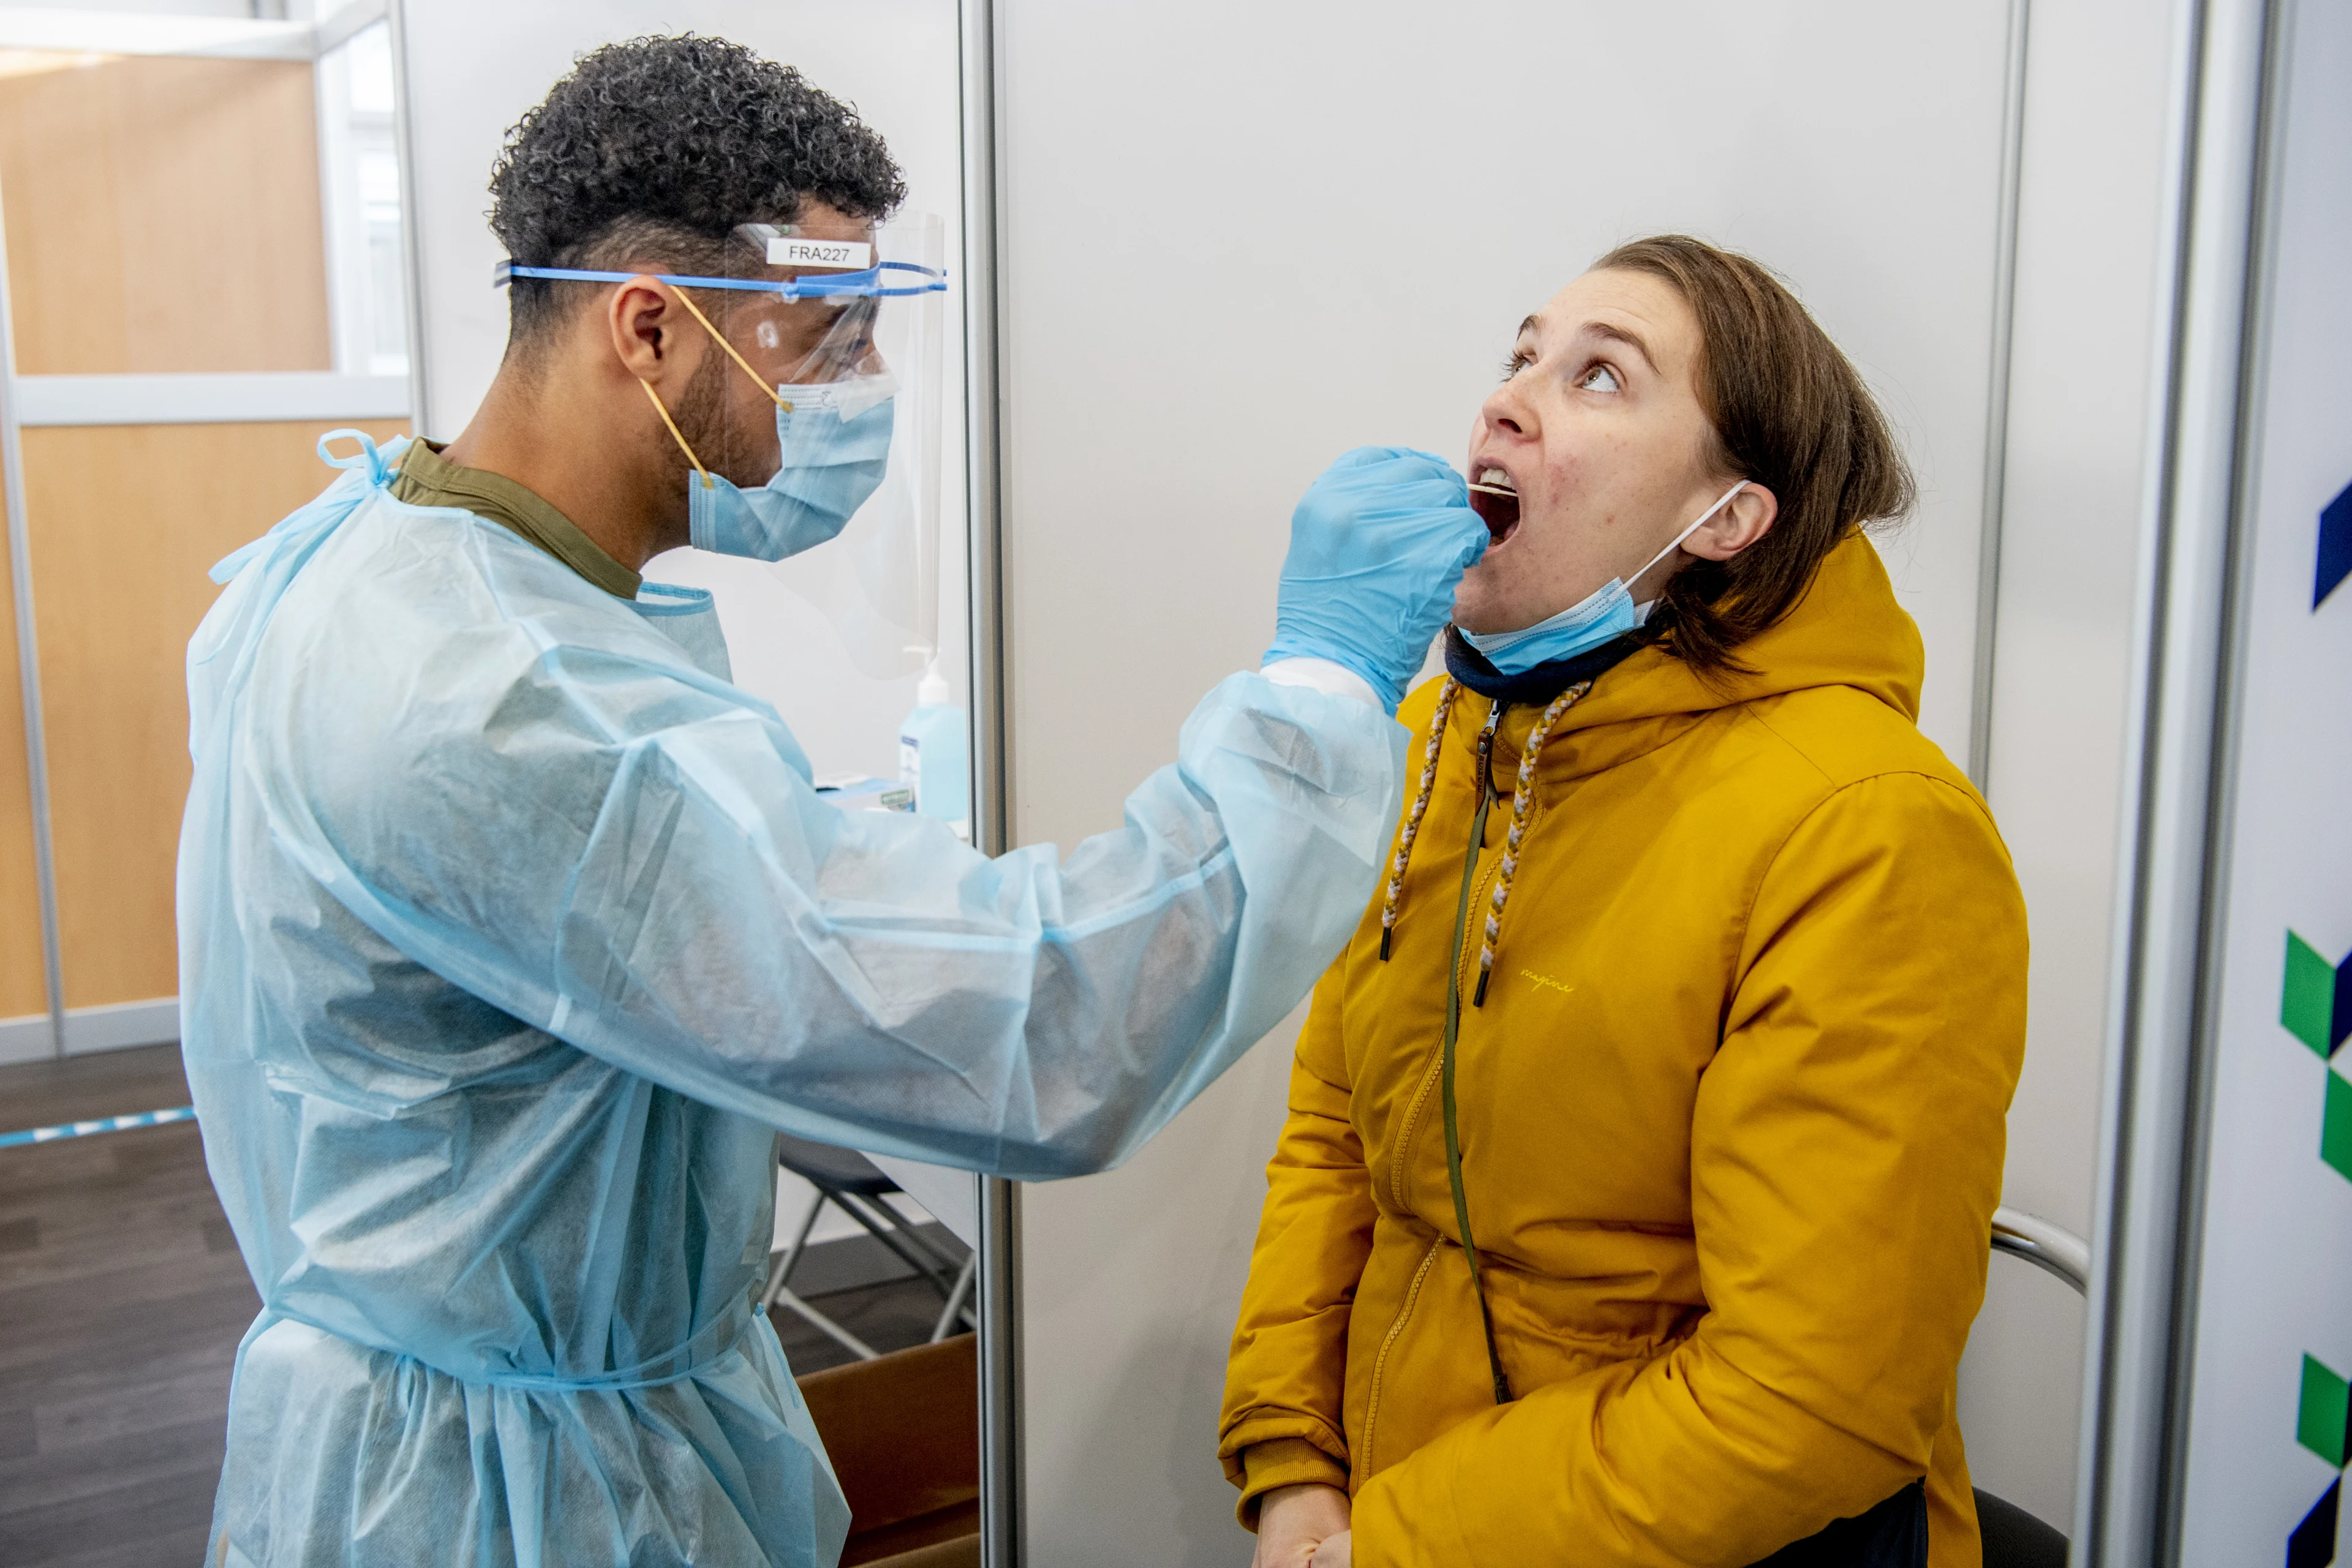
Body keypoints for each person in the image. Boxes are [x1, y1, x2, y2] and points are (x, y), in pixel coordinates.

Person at [178, 35, 1486, 1568]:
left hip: (463, 1411)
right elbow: (1042, 1030)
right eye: (827, 335)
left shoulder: (378, 554)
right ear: (652, 330)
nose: (858, 390)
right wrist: (1319, 687)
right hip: (513, 1493)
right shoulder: (500, 705)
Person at [1219, 236, 2030, 1568]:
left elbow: (1809, 1394)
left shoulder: (1870, 827)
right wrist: (1293, 1460)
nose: (1510, 398)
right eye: (1522, 355)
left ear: (1725, 518)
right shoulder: (1434, 738)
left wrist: (1401, 1541)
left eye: (1602, 377)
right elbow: (1334, 1138)